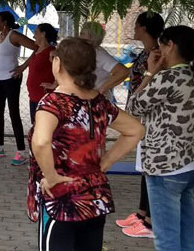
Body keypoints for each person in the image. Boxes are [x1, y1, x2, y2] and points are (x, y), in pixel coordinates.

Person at [28, 38, 144, 251]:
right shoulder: (99, 102)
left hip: (62, 201)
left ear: (58, 64)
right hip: (95, 200)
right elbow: (135, 130)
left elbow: (41, 141)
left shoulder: (54, 102)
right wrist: (107, 160)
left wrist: (51, 175)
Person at [127, 26, 194, 251]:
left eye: (161, 45)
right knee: (185, 238)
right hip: (190, 166)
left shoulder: (167, 78)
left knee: (166, 241)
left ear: (170, 46)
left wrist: (149, 73)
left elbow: (133, 107)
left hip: (165, 168)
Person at [115, 11, 165, 239]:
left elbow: (153, 84)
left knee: (149, 165)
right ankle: (142, 213)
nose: (133, 29)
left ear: (144, 28)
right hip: (140, 112)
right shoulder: (147, 51)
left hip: (150, 115)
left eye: (136, 25)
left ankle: (149, 220)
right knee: (144, 164)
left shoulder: (157, 54)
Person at [0, 10, 37, 165]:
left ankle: (21, 151)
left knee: (14, 113)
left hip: (11, 79)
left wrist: (23, 67)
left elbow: (37, 47)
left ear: (5, 22)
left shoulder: (14, 36)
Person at [79, 21, 130, 102]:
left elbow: (123, 72)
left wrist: (101, 90)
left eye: (82, 33)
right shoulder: (86, 51)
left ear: (90, 36)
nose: (79, 37)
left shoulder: (99, 54)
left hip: (96, 101)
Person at [24, 23, 58, 123]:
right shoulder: (37, 50)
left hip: (44, 97)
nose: (34, 36)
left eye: (36, 33)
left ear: (43, 34)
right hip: (34, 96)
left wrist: (54, 84)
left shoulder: (51, 52)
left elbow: (61, 69)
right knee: (35, 125)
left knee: (42, 126)